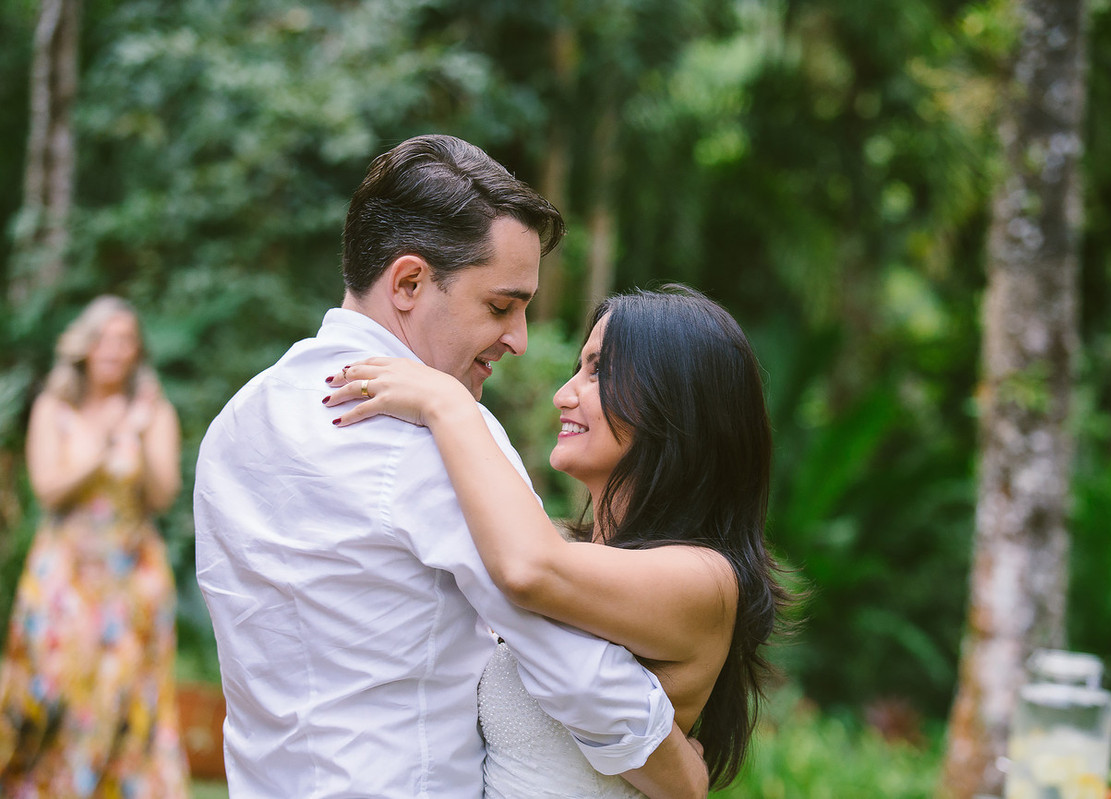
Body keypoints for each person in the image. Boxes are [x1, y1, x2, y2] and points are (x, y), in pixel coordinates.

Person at [193, 134, 708, 798]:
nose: (519, 339)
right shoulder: (439, 436)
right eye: (501, 305)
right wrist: (677, 767)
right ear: (408, 281)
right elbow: (572, 666)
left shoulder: (236, 421)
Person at [326, 284, 788, 794]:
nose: (564, 394)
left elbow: (528, 570)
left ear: (677, 400)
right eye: (579, 368)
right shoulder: (573, 552)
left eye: (599, 371)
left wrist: (448, 402)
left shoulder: (706, 579)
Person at [0, 295, 189, 798]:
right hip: (65, 570)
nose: (114, 348)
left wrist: (142, 440)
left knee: (124, 692)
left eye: (126, 339)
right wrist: (111, 442)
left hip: (132, 572)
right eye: (104, 337)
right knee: (53, 683)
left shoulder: (153, 409)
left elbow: (162, 494)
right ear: (86, 345)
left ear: (136, 351)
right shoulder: (54, 407)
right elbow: (48, 489)